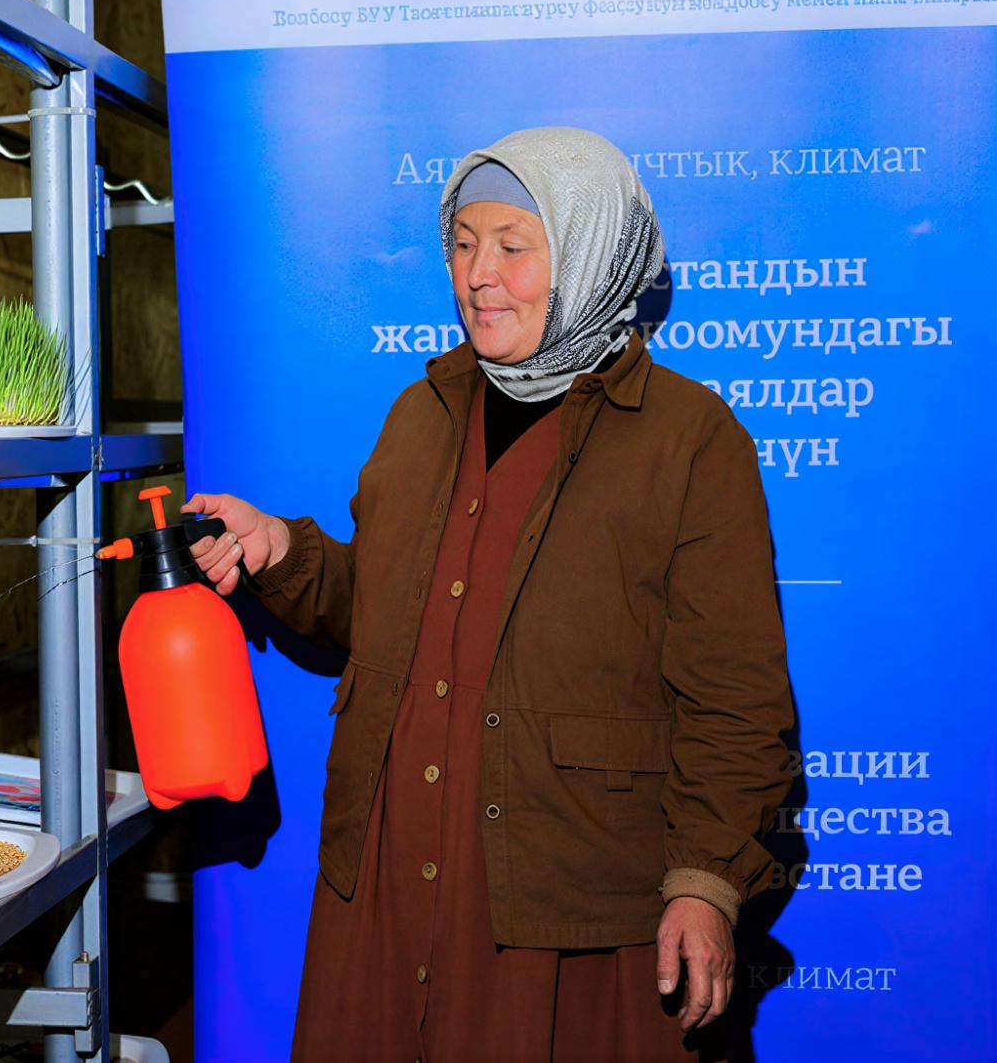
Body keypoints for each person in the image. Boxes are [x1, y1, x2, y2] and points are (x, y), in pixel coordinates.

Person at [183, 126, 795, 1061]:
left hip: (571, 911)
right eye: (463, 244)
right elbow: (384, 611)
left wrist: (706, 883)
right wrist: (284, 553)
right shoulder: (421, 410)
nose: (478, 275)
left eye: (514, 245)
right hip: (388, 882)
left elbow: (737, 701)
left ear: (590, 253)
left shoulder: (691, 440)